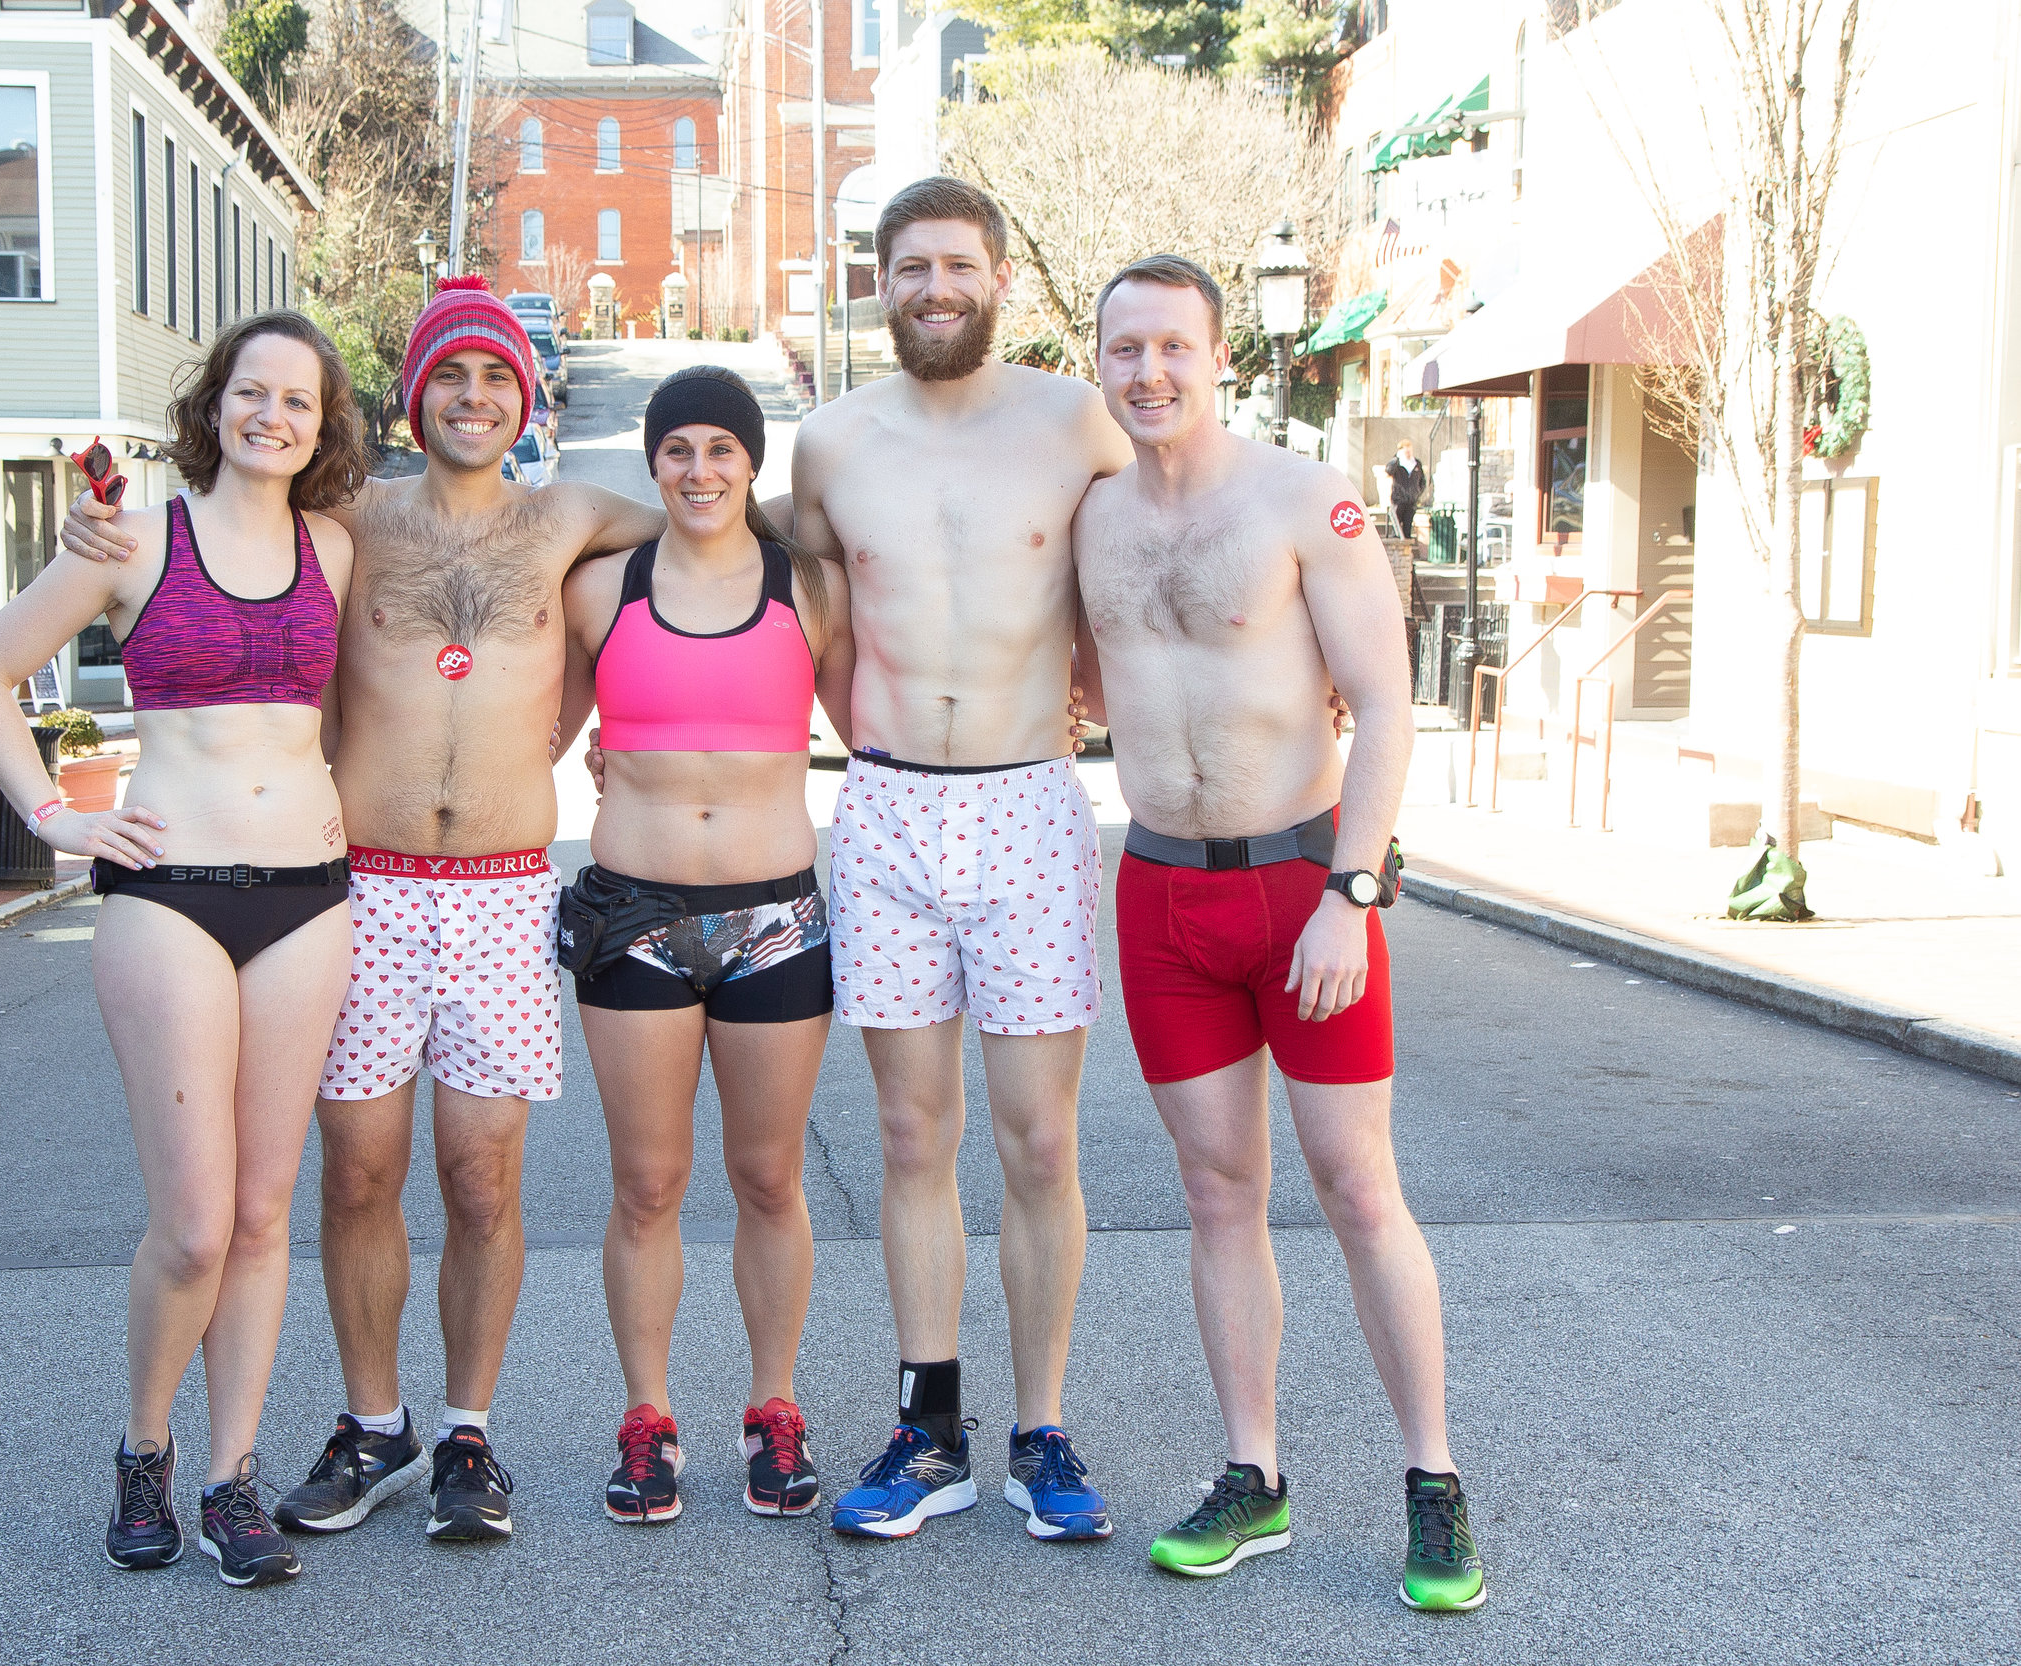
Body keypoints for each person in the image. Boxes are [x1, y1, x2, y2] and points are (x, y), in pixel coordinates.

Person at [60, 277, 666, 1543]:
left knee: (482, 1177)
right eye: (451, 374)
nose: (474, 395)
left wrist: (624, 724)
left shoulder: (570, 517)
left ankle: (467, 1436)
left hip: (503, 894)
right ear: (412, 395)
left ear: (529, 398)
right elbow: (220, 564)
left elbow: (715, 521)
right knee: (356, 1173)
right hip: (365, 887)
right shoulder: (350, 523)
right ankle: (371, 1420)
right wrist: (93, 535)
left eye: (499, 376)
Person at [1073, 254, 1484, 1611]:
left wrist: (1353, 893)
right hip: (1164, 892)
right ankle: (1253, 1472)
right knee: (1216, 1191)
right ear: (1100, 363)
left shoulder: (1305, 501)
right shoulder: (1091, 521)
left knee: (1357, 1183)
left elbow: (1387, 700)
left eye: (1174, 348)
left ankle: (1432, 1479)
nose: (1150, 374)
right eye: (1125, 350)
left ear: (1218, 355)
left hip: (1302, 885)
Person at [0, 311, 361, 1587]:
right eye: (254, 392)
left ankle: (234, 1478)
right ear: (216, 402)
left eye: (299, 401)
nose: (273, 417)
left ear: (321, 425)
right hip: (166, 893)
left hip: (308, 898)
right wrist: (54, 813)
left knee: (258, 1214)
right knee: (190, 1223)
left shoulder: (337, 549)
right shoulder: (133, 539)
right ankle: (146, 1446)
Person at [780, 177, 1133, 1542]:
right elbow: (808, 613)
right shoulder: (830, 441)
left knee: (1040, 1138)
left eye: (961, 265)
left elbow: (1163, 551)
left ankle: (1042, 1425)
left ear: (1000, 281)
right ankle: (931, 1428)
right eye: (912, 266)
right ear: (881, 282)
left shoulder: (1073, 419)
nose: (938, 286)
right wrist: (857, 737)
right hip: (885, 814)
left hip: (1032, 804)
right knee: (913, 1132)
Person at [553, 367, 852, 1525]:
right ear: (651, 461)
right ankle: (648, 1417)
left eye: (721, 449)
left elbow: (879, 722)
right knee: (648, 1182)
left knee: (769, 1177)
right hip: (636, 918)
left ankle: (773, 1411)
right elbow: (533, 729)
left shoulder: (806, 588)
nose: (699, 470)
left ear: (750, 463)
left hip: (775, 918)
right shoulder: (601, 591)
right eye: (677, 449)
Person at [1382, 440, 1426, 541]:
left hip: (1411, 500)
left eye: (1409, 450)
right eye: (1405, 450)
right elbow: (1389, 470)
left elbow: (1422, 481)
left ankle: (1406, 552)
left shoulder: (1416, 463)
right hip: (1399, 499)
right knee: (1397, 528)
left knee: (1407, 528)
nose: (1408, 453)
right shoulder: (1398, 463)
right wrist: (1396, 459)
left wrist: (1417, 492)